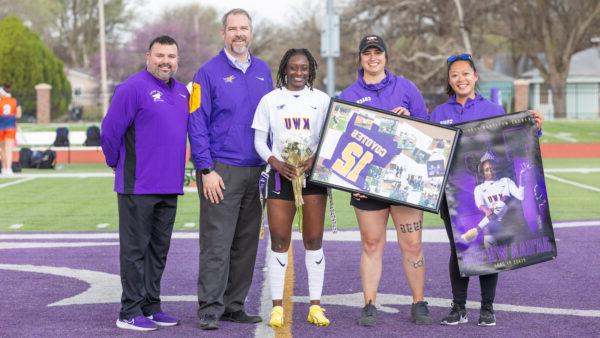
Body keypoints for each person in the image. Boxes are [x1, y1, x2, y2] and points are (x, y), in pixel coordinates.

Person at [430, 53, 544, 327]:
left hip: (488, 196)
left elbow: (512, 141)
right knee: (461, 248)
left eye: (466, 73)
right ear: (449, 79)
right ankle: (458, 308)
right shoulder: (439, 114)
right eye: (455, 74)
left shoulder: (493, 109)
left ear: (475, 77)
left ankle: (487, 308)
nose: (461, 79)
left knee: (489, 247)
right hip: (454, 197)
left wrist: (535, 129)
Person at [338, 34, 433, 326]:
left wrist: (408, 121)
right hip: (367, 186)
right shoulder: (348, 96)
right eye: (367, 53)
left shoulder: (406, 88)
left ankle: (418, 301)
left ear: (386, 56)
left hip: (403, 181)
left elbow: (428, 134)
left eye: (377, 52)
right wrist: (354, 183)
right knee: (371, 243)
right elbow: (340, 145)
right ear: (360, 58)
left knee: (412, 243)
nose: (373, 58)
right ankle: (369, 304)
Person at [188, 8, 273, 330]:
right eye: (233, 28)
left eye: (244, 28)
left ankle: (234, 305)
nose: (239, 34)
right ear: (223, 33)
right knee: (217, 243)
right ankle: (210, 307)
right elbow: (196, 123)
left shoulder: (264, 70)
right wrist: (206, 169)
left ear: (251, 32)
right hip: (221, 170)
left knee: (246, 242)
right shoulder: (206, 73)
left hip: (257, 169)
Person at [101, 35, 188, 332]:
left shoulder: (182, 93)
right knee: (135, 251)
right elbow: (109, 132)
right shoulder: (132, 88)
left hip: (170, 186)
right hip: (137, 186)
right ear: (148, 57)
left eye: (171, 56)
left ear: (178, 59)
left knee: (158, 251)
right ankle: (129, 311)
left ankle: (151, 306)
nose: (166, 61)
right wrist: (116, 163)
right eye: (160, 55)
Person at [252, 48, 331, 328]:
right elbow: (260, 141)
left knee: (313, 241)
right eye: (293, 68)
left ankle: (315, 306)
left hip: (312, 179)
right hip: (279, 178)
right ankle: (277, 307)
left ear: (311, 70)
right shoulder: (270, 100)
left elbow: (329, 139)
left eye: (304, 68)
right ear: (284, 69)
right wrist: (275, 162)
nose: (299, 73)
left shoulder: (322, 100)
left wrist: (312, 160)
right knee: (280, 241)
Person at [463, 157, 531, 247]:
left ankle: (476, 230)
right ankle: (483, 238)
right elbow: (479, 204)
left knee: (504, 200)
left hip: (507, 220)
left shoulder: (506, 181)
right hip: (491, 223)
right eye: (487, 170)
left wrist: (522, 177)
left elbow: (521, 196)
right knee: (493, 253)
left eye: (492, 168)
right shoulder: (479, 188)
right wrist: (486, 210)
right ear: (483, 173)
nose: (490, 171)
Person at [0, 84, 22, 176]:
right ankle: (8, 169)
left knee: (2, 149)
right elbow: (18, 115)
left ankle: (4, 169)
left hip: (1, 127)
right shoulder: (15, 101)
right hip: (10, 127)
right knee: (8, 149)